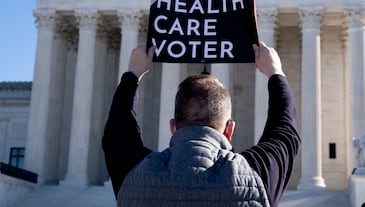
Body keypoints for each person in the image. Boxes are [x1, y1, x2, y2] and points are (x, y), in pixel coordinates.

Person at [102, 41, 302, 207]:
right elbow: (285, 131)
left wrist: (133, 74)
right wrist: (275, 73)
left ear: (172, 127)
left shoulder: (135, 176)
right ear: (229, 130)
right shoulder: (255, 180)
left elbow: (117, 131)